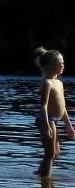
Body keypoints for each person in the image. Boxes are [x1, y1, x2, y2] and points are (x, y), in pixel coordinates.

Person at [35, 48, 75, 177]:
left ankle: (40, 175)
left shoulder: (59, 83)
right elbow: (43, 106)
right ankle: (46, 183)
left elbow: (62, 108)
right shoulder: (47, 83)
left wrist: (68, 125)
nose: (62, 66)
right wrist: (47, 126)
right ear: (49, 66)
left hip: (54, 119)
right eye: (59, 63)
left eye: (63, 63)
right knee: (50, 154)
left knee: (56, 153)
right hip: (45, 120)